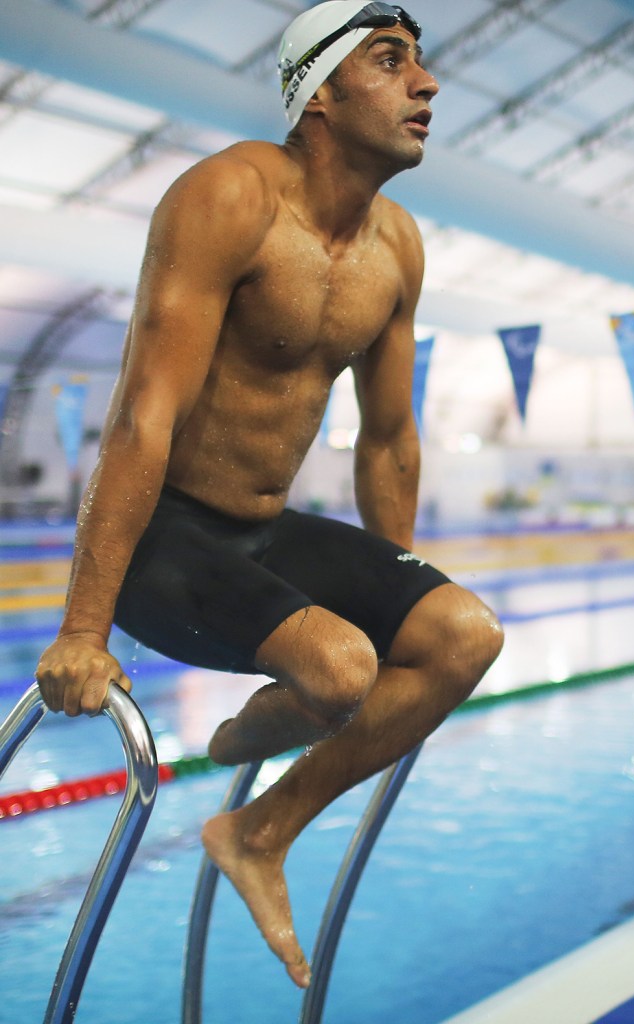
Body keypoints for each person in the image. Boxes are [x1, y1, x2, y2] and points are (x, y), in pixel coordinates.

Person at [35, 1, 504, 990]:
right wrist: (84, 628)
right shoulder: (226, 199)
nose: (426, 85)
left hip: (262, 531)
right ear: (320, 95)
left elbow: (387, 439)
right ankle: (272, 721)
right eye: (392, 63)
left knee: (461, 635)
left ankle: (258, 828)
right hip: (167, 541)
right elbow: (139, 419)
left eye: (422, 63)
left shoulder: (397, 247)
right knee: (338, 671)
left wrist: (398, 594)